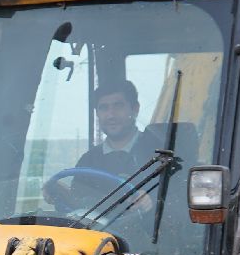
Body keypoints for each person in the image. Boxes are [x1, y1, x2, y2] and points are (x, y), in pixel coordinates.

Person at [45, 78, 161, 210]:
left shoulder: (159, 154)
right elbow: (78, 207)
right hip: (96, 230)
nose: (111, 115)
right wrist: (58, 193)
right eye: (103, 108)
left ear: (135, 109)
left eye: (118, 106)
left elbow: (178, 202)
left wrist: (152, 201)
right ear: (97, 113)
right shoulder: (88, 161)